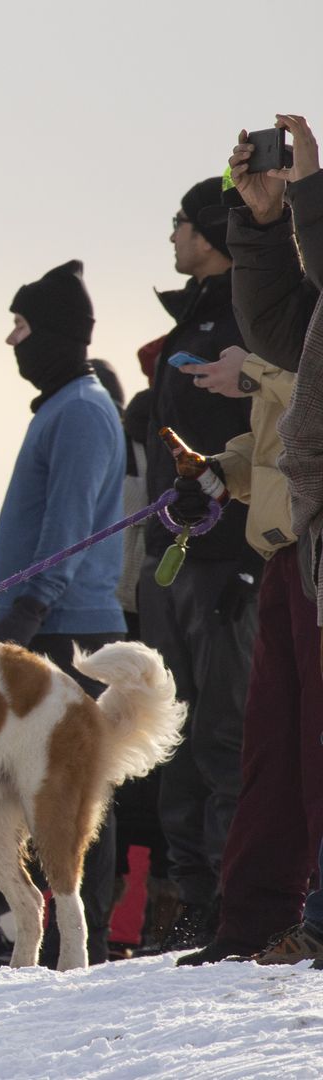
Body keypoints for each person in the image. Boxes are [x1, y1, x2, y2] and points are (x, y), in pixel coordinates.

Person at [179, 114, 323, 965]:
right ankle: (255, 923)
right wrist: (265, 220)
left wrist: (306, 200)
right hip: (297, 540)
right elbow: (281, 329)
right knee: (270, 746)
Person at [0, 260, 128, 964]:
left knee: (72, 792)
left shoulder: (79, 412)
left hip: (68, 628)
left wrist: (27, 609)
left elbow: (70, 526)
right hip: (51, 621)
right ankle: (46, 936)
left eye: (22, 326)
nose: (13, 341)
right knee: (36, 787)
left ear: (56, 335)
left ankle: (88, 942)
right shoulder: (64, 407)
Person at [138, 178, 261, 954]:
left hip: (228, 564)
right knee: (171, 738)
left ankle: (232, 902)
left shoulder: (258, 314)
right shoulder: (195, 315)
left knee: (221, 736)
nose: (171, 238)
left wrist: (245, 552)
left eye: (179, 223)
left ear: (212, 231)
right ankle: (189, 901)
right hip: (172, 559)